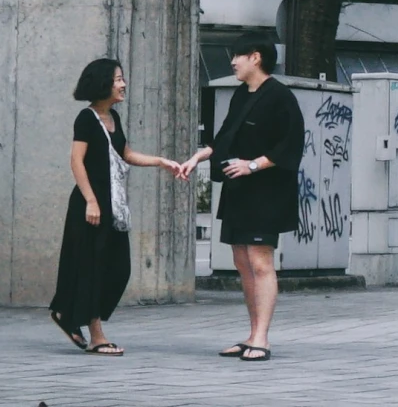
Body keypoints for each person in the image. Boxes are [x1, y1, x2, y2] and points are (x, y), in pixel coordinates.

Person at [174, 40, 305, 362]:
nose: (232, 62)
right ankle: (251, 334)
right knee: (242, 264)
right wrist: (198, 157)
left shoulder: (280, 96)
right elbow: (223, 139)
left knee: (261, 262)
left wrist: (253, 165)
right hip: (238, 190)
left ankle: (262, 338)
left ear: (255, 58)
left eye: (237, 56)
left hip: (267, 192)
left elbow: (291, 145)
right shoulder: (241, 94)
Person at [50, 57, 178, 356]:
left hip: (115, 206)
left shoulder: (114, 118)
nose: (123, 84)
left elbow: (126, 153)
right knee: (94, 269)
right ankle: (95, 335)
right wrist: (91, 201)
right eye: (118, 79)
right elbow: (76, 160)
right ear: (103, 83)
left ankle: (63, 312)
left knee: (118, 269)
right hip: (91, 206)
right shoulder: (86, 118)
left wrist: (161, 161)